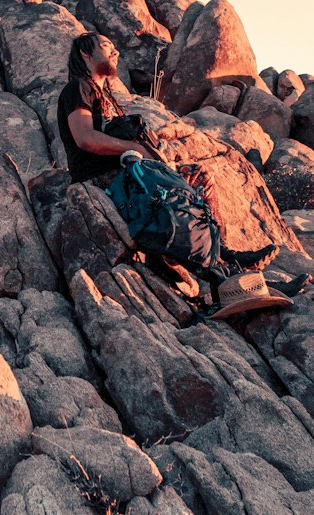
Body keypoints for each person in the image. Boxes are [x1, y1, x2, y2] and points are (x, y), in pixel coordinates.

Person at [56, 32, 298, 316]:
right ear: (86, 54)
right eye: (107, 46)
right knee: (175, 200)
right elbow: (85, 139)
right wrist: (135, 147)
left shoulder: (106, 96)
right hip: (102, 179)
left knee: (198, 177)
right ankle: (225, 274)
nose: (116, 52)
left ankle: (224, 254)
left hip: (130, 172)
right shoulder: (78, 89)